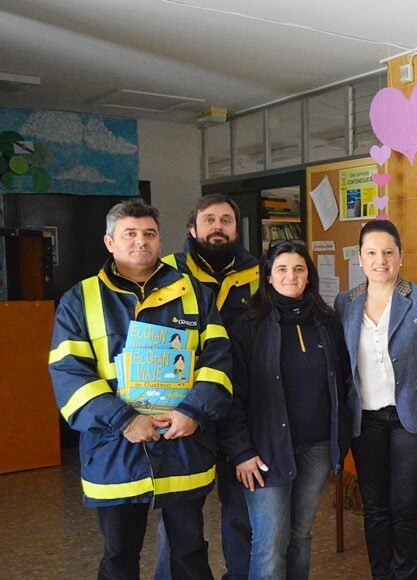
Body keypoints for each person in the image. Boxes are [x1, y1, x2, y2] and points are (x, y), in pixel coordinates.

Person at [49, 199, 232, 579]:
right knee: (119, 555)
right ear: (109, 242)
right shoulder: (80, 299)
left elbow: (219, 359)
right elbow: (69, 374)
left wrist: (193, 411)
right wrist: (124, 421)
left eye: (149, 233)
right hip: (115, 449)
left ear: (160, 240)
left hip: (183, 446)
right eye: (129, 233)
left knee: (190, 553)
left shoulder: (194, 293)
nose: (140, 241)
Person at [219, 240, 351, 580]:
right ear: (268, 276)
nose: (290, 276)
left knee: (300, 536)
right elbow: (232, 395)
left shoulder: (327, 322)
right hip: (264, 451)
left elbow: (342, 381)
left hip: (317, 448)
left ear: (308, 275)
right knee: (270, 544)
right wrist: (241, 452)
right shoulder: (249, 325)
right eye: (281, 269)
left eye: (298, 269)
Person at [157, 193, 260, 580]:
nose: (218, 227)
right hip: (184, 413)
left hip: (240, 412)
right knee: (178, 522)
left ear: (236, 228)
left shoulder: (258, 274)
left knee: (241, 516)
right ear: (192, 228)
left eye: (226, 220)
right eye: (210, 220)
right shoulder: (166, 273)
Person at [334, 220, 417, 579]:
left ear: (400, 256)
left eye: (388, 252)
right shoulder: (345, 303)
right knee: (375, 507)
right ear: (360, 258)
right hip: (365, 421)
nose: (380, 260)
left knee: (406, 505)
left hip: (412, 418)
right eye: (372, 253)